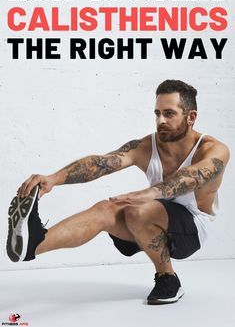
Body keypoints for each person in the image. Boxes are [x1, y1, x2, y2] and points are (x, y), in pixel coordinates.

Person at [7, 79, 230, 305]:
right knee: (105, 209)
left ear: (191, 117)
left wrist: (148, 194)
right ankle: (33, 245)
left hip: (192, 229)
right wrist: (53, 179)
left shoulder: (214, 150)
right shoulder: (147, 146)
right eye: (157, 113)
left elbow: (190, 177)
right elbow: (102, 163)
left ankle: (168, 279)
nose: (160, 120)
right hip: (150, 217)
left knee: (137, 211)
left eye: (169, 114)